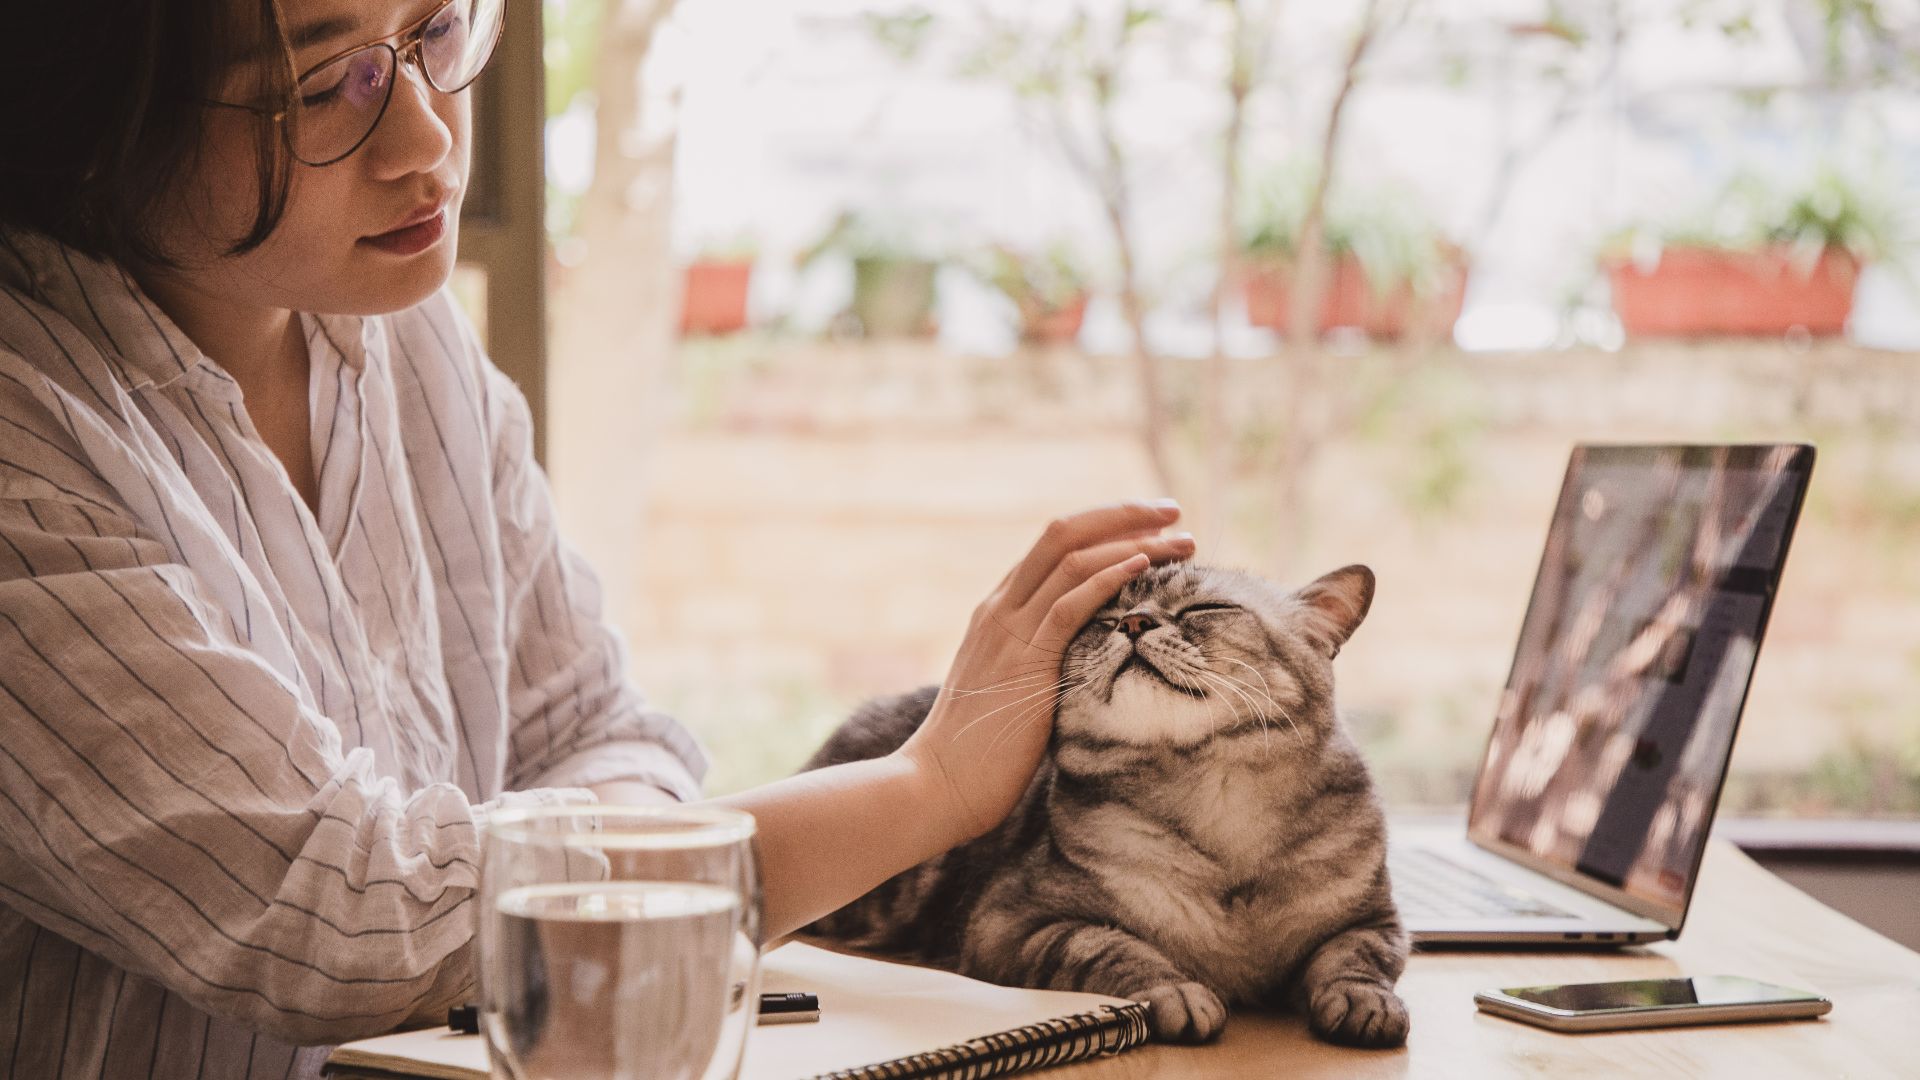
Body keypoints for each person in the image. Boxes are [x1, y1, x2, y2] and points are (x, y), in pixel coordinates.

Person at [0, 1, 1195, 1076]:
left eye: (434, 36)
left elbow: (600, 732)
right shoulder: (28, 434)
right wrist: (924, 787)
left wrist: (552, 895)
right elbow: (346, 917)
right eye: (327, 88)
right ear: (96, 114)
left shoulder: (405, 340)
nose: (427, 141)